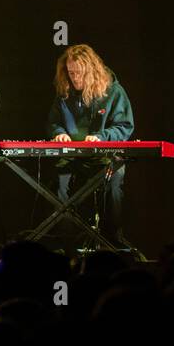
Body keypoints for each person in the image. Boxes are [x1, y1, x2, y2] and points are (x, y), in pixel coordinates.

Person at [47, 44, 134, 246]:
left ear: (91, 71)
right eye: (71, 73)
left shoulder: (113, 91)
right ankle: (66, 243)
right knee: (58, 183)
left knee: (113, 185)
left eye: (79, 73)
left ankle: (111, 241)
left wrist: (102, 136)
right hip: (72, 156)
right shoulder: (64, 91)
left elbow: (125, 126)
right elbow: (53, 122)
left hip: (104, 157)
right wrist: (59, 133)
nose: (75, 78)